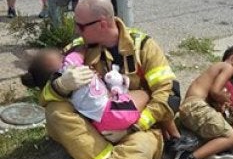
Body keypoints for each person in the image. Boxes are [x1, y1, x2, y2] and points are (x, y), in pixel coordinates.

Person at [39, 0, 183, 159]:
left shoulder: (143, 47)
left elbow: (169, 93)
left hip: (136, 129)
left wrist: (133, 127)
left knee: (142, 147)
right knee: (55, 111)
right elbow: (44, 98)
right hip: (93, 124)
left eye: (81, 26)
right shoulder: (76, 50)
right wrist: (61, 85)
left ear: (102, 24)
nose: (76, 31)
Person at [21, 48, 150, 135]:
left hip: (98, 122)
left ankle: (124, 127)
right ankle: (133, 125)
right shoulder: (68, 66)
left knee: (130, 98)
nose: (63, 55)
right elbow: (81, 50)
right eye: (60, 56)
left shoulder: (62, 90)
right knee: (144, 94)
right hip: (113, 112)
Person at [173, 45, 233, 159]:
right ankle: (189, 158)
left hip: (192, 112)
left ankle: (216, 150)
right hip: (195, 107)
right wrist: (225, 99)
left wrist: (221, 107)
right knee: (232, 138)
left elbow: (211, 97)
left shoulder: (217, 73)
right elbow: (215, 91)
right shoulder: (227, 67)